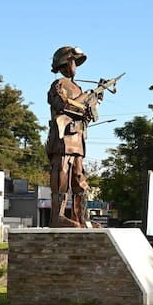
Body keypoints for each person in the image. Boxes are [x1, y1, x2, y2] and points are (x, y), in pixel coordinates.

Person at [45, 46, 101, 228]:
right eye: (73, 62)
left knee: (79, 179)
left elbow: (87, 116)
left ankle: (81, 218)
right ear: (65, 63)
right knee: (61, 177)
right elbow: (61, 105)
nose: (75, 66)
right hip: (63, 139)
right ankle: (57, 217)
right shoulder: (59, 85)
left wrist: (94, 103)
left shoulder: (78, 87)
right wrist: (84, 106)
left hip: (78, 140)